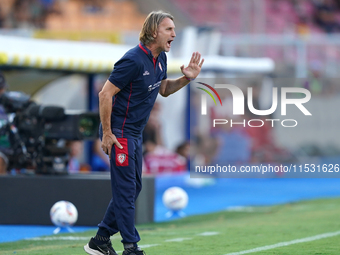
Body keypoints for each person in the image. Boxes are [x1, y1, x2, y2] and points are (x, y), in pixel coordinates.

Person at [84, 10, 204, 255]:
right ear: (153, 32)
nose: (174, 33)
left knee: (134, 188)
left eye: (174, 28)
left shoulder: (160, 59)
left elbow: (164, 90)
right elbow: (105, 94)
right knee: (126, 190)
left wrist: (186, 79)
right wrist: (107, 133)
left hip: (134, 133)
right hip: (119, 133)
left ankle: (101, 238)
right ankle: (131, 247)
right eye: (168, 29)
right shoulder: (133, 60)